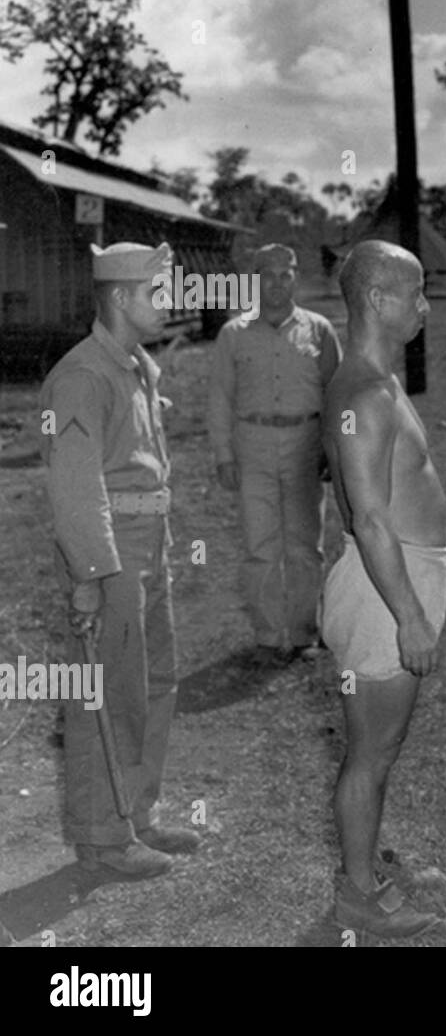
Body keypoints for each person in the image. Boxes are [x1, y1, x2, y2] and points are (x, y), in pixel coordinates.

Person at [39, 242, 199, 879]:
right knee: (105, 693)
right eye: (158, 293)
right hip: (112, 555)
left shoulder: (135, 366)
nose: (170, 304)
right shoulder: (83, 377)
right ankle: (103, 836)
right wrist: (92, 578)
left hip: (147, 541)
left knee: (154, 681)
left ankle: (136, 810)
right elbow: (76, 490)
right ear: (122, 298)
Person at [320, 240, 446, 938]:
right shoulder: (366, 393)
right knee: (370, 751)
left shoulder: (371, 379)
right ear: (376, 299)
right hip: (385, 587)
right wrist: (410, 616)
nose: (425, 305)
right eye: (416, 293)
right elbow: (369, 518)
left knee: (382, 746)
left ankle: (364, 862)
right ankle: (358, 895)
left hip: (398, 573)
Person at [208, 244, 341, 661]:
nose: (278, 282)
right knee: (259, 545)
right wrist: (224, 455)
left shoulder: (319, 329)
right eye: (269, 274)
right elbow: (219, 398)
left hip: (305, 446)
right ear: (255, 278)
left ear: (296, 278)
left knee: (305, 546)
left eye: (287, 273)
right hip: (253, 446)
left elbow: (336, 395)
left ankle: (304, 634)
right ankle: (267, 636)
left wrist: (332, 451)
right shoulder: (233, 334)